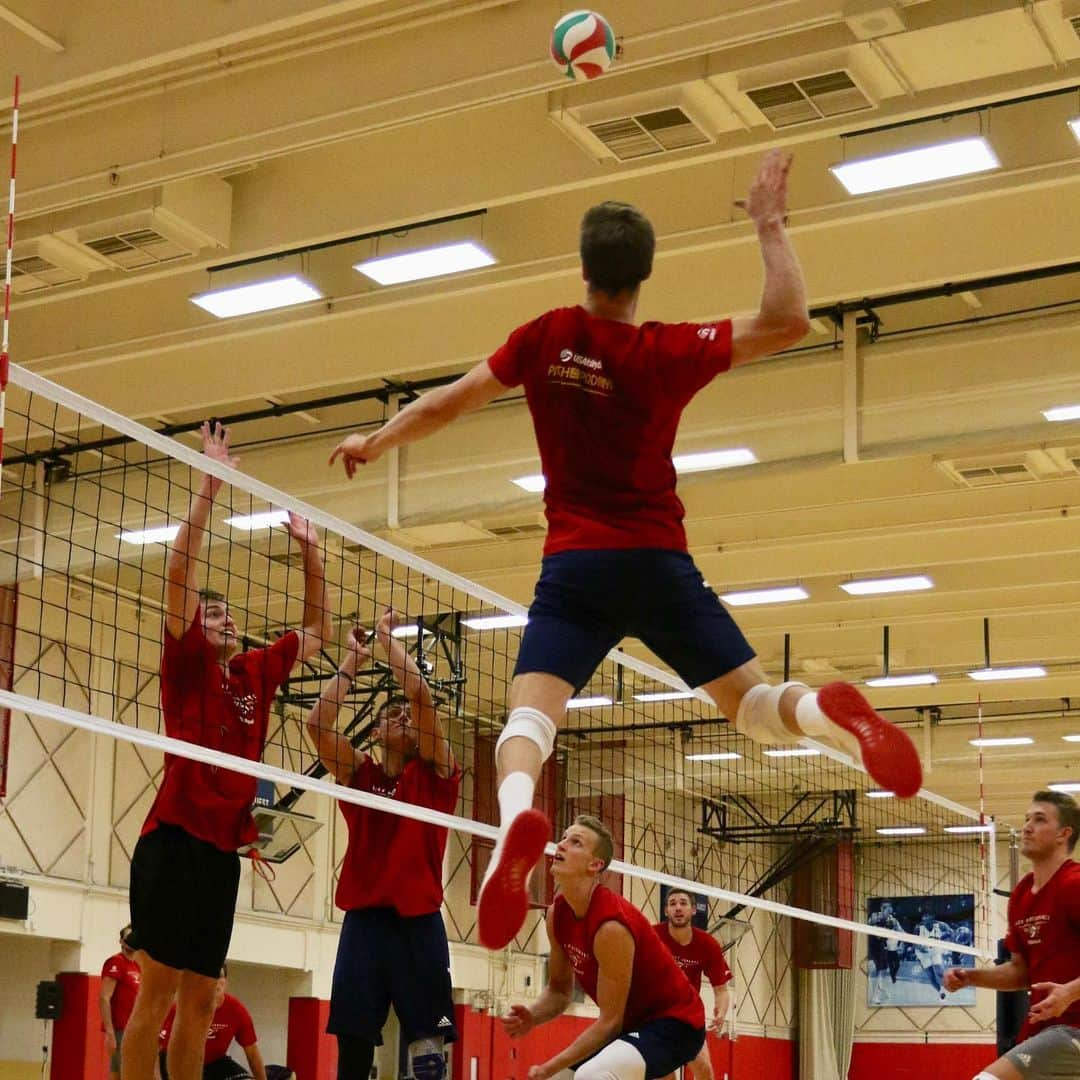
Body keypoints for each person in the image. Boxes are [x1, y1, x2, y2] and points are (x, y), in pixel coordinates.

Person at [328, 150, 923, 949]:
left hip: (575, 569)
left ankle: (513, 823)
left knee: (527, 723)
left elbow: (451, 401)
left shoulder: (544, 338)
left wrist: (376, 438)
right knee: (753, 709)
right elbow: (786, 319)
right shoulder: (662, 350)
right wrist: (768, 223)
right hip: (657, 562)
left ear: (583, 268)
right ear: (643, 277)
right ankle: (824, 710)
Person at [123, 422, 330, 1080]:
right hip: (173, 840)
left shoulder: (255, 675)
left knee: (199, 998)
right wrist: (210, 486)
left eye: (228, 615)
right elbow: (181, 569)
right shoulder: (184, 665)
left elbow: (319, 631)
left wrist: (310, 552)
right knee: (156, 993)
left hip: (222, 855)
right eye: (211, 615)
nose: (223, 619)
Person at [305, 609, 461, 1080]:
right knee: (353, 1045)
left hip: (419, 923)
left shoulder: (435, 771)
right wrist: (352, 661)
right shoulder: (361, 775)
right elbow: (317, 725)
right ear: (375, 733)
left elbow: (420, 695)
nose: (404, 717)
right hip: (366, 924)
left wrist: (389, 640)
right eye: (391, 714)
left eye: (407, 716)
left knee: (428, 1050)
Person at [502, 815, 705, 1080]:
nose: (561, 845)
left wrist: (548, 1067)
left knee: (592, 1076)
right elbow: (559, 991)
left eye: (575, 842)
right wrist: (532, 1015)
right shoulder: (557, 915)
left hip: (677, 1025)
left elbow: (610, 1023)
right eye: (564, 837)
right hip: (633, 1027)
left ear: (595, 864)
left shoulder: (611, 926)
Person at [944, 790, 1080, 1080]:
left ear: (1063, 833)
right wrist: (971, 977)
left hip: (1072, 1029)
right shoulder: (1021, 894)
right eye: (1027, 818)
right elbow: (1021, 971)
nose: (1027, 826)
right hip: (1042, 1029)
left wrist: (1070, 992)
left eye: (1040, 820)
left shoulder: (1074, 885)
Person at [653, 890, 732, 1080]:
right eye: (672, 903)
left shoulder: (707, 944)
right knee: (662, 1074)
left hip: (688, 1017)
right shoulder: (652, 936)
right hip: (656, 1016)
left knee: (704, 1069)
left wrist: (720, 1013)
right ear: (666, 911)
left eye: (683, 903)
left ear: (694, 909)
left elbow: (721, 990)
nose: (678, 907)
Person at [159, 967, 267, 1080]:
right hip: (180, 1062)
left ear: (226, 981)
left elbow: (252, 1053)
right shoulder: (180, 1008)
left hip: (215, 1063)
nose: (214, 981)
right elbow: (159, 1048)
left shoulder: (236, 1010)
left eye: (219, 976)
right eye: (210, 976)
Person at [100, 926, 143, 1080]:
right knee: (126, 1072)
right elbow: (104, 997)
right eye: (128, 937)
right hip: (121, 1030)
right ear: (121, 941)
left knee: (119, 1073)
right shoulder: (116, 962)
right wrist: (110, 1032)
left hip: (135, 1030)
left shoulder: (138, 966)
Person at [914, 911, 951, 1001]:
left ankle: (946, 986)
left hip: (934, 951)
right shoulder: (918, 927)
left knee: (940, 972)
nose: (925, 918)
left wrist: (948, 935)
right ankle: (940, 992)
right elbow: (913, 942)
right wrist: (919, 947)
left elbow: (950, 932)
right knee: (931, 977)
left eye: (927, 916)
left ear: (932, 917)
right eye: (924, 916)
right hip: (923, 954)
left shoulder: (941, 925)